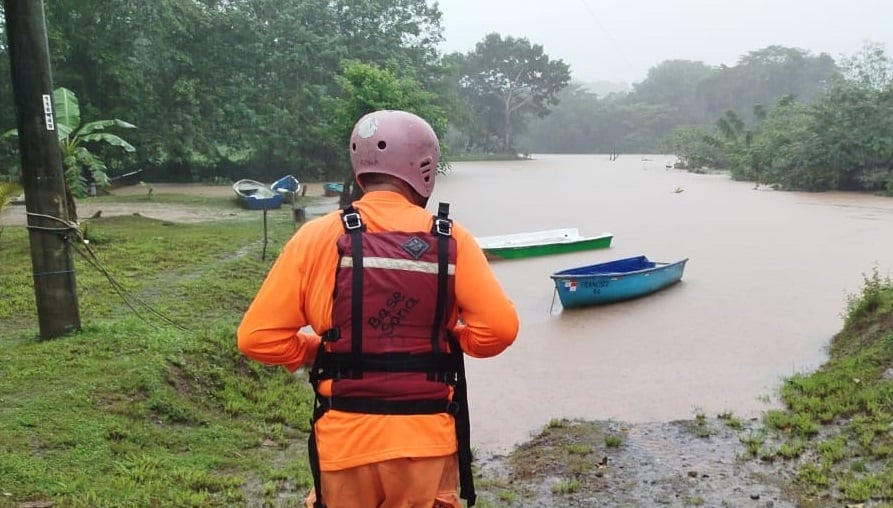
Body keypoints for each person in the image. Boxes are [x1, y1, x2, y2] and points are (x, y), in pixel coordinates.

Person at [237, 109, 519, 508]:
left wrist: (313, 349)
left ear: (359, 169)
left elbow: (257, 338)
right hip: (425, 440)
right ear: (424, 167)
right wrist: (450, 336)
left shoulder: (317, 236)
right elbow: (500, 331)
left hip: (344, 439)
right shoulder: (452, 239)